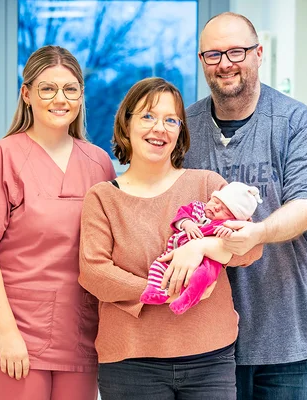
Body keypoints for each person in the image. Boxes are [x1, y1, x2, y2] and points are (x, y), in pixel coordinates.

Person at [184, 12, 307, 399]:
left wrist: (258, 233)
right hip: (209, 344)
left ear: (258, 53)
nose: (225, 64)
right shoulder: (185, 128)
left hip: (291, 342)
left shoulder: (295, 122)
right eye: (213, 54)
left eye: (236, 51)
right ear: (202, 60)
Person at [78, 77, 262, 400]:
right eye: (148, 116)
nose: (159, 128)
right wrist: (165, 291)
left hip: (210, 358)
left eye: (171, 120)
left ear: (180, 132)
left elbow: (251, 247)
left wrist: (202, 246)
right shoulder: (103, 197)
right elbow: (94, 273)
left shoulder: (207, 185)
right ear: (126, 124)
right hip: (131, 362)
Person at [0, 45, 116, 400]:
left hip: (80, 334)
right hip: (14, 333)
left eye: (70, 89)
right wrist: (7, 333)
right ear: (27, 94)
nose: (60, 99)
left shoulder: (99, 163)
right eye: (47, 88)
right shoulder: (1, 157)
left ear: (81, 96)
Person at [140, 182, 262, 315]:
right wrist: (187, 224)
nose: (216, 208)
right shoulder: (197, 208)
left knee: (201, 276)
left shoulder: (226, 224)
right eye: (216, 202)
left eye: (225, 211)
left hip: (206, 261)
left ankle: (186, 299)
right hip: (174, 252)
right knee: (159, 265)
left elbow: (243, 239)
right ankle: (154, 291)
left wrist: (228, 233)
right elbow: (182, 214)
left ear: (234, 219)